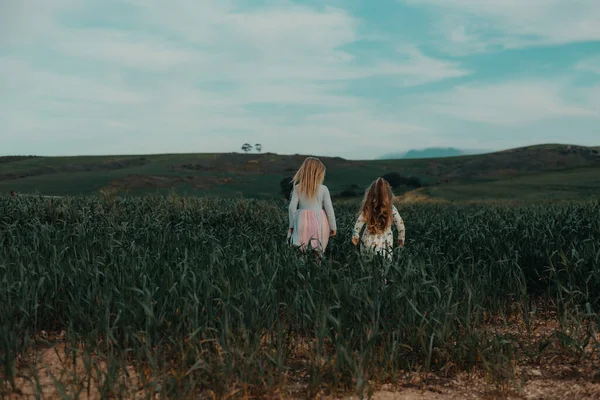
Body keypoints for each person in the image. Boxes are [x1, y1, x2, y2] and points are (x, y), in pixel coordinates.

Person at [288, 157, 336, 253]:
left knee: (300, 250)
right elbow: (329, 210)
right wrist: (333, 227)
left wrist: (292, 225)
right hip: (319, 221)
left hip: (301, 221)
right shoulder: (323, 189)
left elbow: (291, 207)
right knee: (318, 250)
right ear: (319, 173)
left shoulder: (297, 188)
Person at [351, 177, 405, 260]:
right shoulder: (391, 209)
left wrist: (355, 235)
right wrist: (401, 238)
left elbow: (359, 223)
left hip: (368, 243)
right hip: (385, 245)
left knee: (367, 267)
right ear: (388, 194)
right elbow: (400, 225)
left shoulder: (368, 208)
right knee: (384, 266)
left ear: (370, 194)